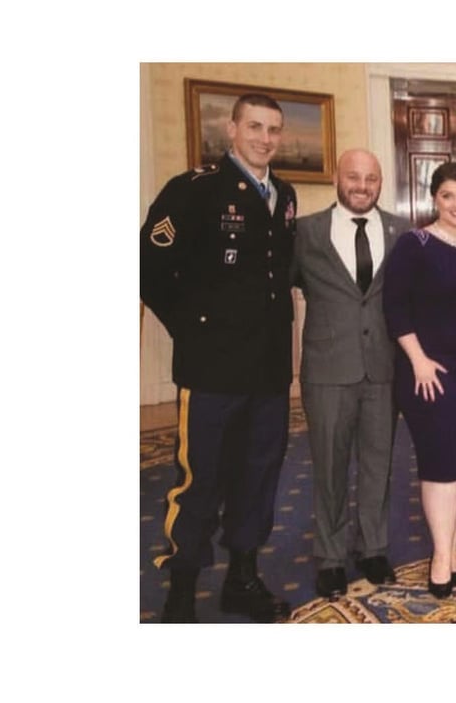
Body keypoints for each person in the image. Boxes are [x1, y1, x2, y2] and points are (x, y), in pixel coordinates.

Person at [140, 93, 297, 623]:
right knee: (199, 480)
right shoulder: (195, 191)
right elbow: (149, 267)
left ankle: (243, 580)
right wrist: (193, 330)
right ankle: (181, 592)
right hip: (212, 372)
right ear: (231, 130)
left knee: (258, 477)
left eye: (274, 129)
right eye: (254, 126)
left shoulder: (285, 194)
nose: (265, 138)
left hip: (269, 371)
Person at [293, 149, 407, 599]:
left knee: (379, 463)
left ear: (381, 183)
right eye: (354, 177)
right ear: (337, 178)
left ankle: (374, 547)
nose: (362, 186)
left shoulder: (401, 232)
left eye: (372, 179)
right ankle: (330, 556)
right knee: (329, 466)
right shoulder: (305, 233)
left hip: (383, 367)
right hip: (327, 369)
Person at [382, 162, 456, 599]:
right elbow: (396, 308)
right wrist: (419, 361)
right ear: (434, 198)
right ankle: (438, 554)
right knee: (441, 464)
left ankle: (452, 549)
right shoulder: (415, 244)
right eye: (447, 196)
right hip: (429, 372)